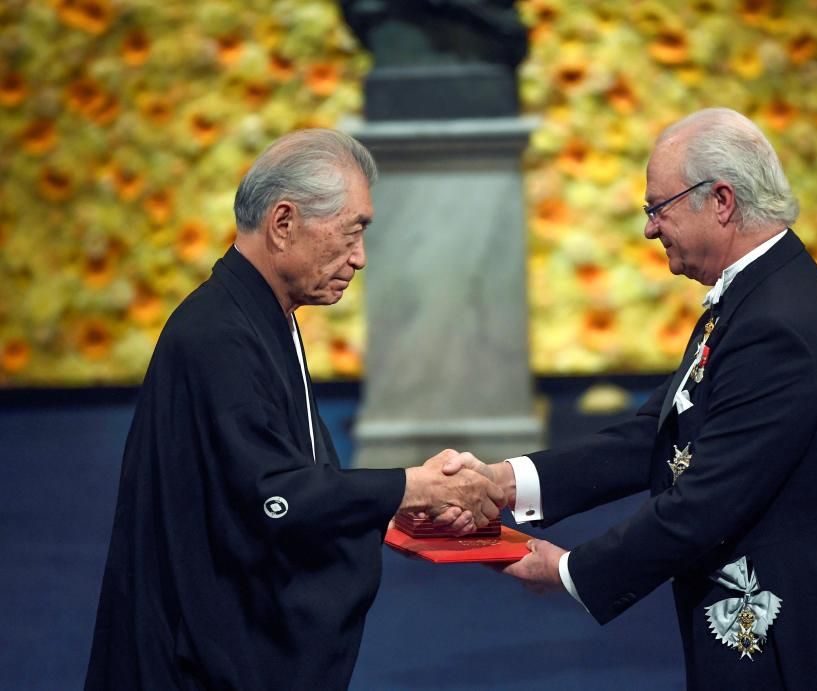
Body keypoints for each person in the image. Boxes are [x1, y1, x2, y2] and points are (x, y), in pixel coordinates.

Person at [446, 107, 817, 690]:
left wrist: (572, 570)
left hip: (795, 644)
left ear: (722, 201)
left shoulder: (778, 321)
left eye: (658, 208)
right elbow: (655, 433)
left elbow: (708, 501)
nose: (650, 229)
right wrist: (505, 481)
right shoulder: (757, 294)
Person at [85, 129, 505, 691]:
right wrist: (410, 487)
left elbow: (288, 480)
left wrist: (390, 509)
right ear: (283, 224)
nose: (359, 257)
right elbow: (273, 498)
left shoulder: (262, 314)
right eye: (352, 231)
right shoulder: (219, 335)